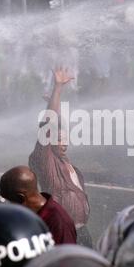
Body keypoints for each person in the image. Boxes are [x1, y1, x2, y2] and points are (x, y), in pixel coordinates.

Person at [29, 67, 92, 247]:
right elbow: (49, 124)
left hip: (82, 232)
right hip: (63, 232)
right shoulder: (46, 160)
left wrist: (53, 104)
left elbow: (59, 128)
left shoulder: (70, 166)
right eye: (58, 140)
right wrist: (58, 88)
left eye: (65, 140)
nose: (63, 143)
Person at [0, 165, 77, 245]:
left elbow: (66, 256)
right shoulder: (27, 214)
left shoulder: (58, 222)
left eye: (7, 200)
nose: (4, 205)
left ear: (20, 198)